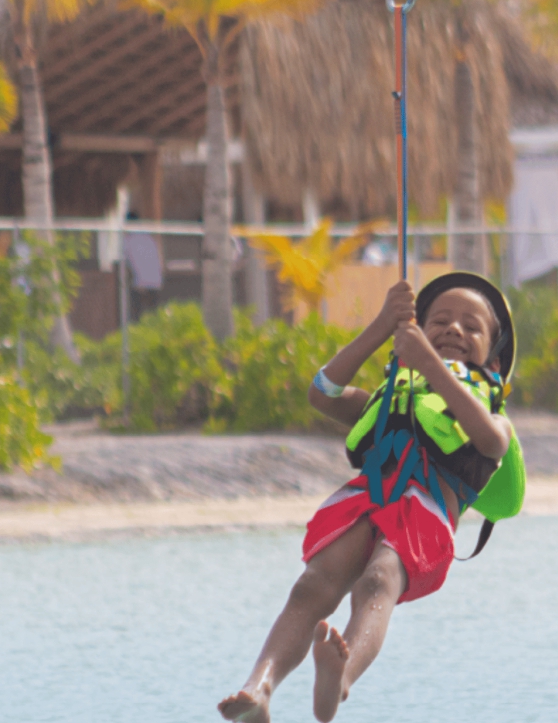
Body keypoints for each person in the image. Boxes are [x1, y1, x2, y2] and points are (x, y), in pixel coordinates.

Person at [218, 272, 524, 723]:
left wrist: (429, 363)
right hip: (366, 501)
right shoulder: (390, 396)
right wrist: (383, 325)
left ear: (494, 363)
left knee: (378, 581)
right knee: (311, 586)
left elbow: (491, 443)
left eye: (471, 326)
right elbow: (322, 392)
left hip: (426, 517)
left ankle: (340, 677)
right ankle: (258, 688)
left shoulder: (494, 419)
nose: (453, 329)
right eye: (439, 321)